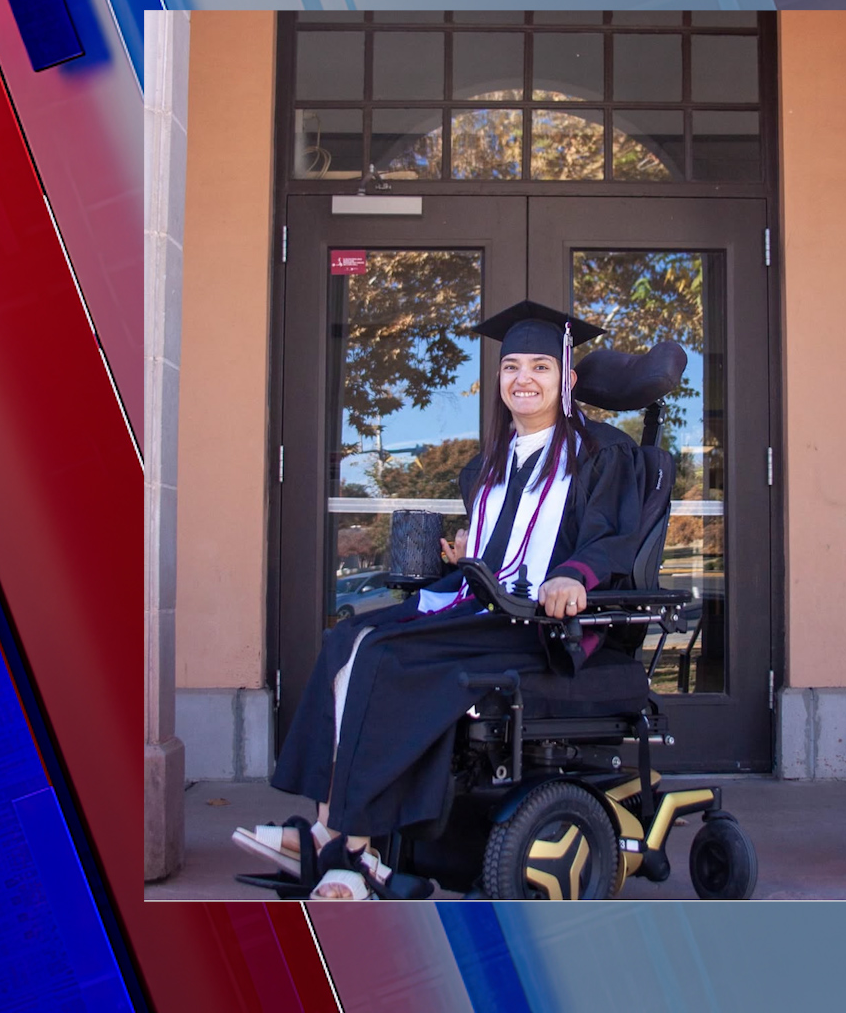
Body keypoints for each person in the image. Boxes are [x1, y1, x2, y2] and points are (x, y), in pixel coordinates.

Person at [233, 302, 645, 899]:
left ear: (567, 379)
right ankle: (336, 830)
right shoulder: (487, 463)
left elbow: (611, 535)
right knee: (347, 640)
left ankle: (347, 843)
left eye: (539, 367)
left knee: (382, 657)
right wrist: (466, 555)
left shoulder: (599, 452)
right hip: (482, 604)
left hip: (539, 625)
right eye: (510, 367)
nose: (523, 379)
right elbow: (501, 547)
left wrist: (574, 576)